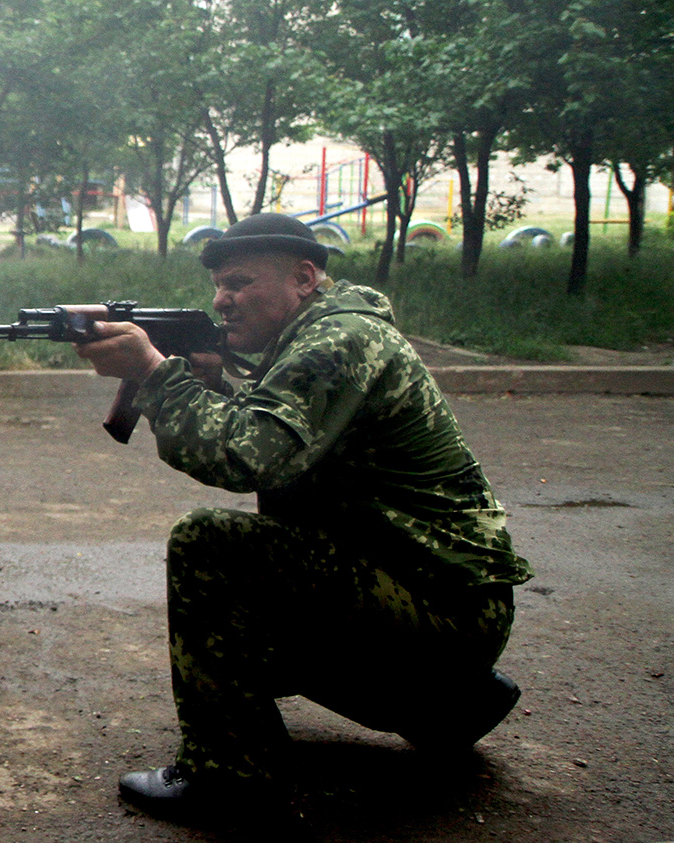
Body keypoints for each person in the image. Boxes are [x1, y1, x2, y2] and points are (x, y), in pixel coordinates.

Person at [74, 213, 533, 820]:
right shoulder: (315, 336)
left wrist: (156, 376)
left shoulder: (338, 341)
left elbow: (246, 456)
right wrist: (204, 389)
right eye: (217, 287)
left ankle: (232, 777)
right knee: (251, 598)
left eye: (239, 283)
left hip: (440, 605)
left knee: (208, 543)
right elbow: (279, 447)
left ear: (305, 277)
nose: (223, 300)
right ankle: (449, 705)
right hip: (422, 588)